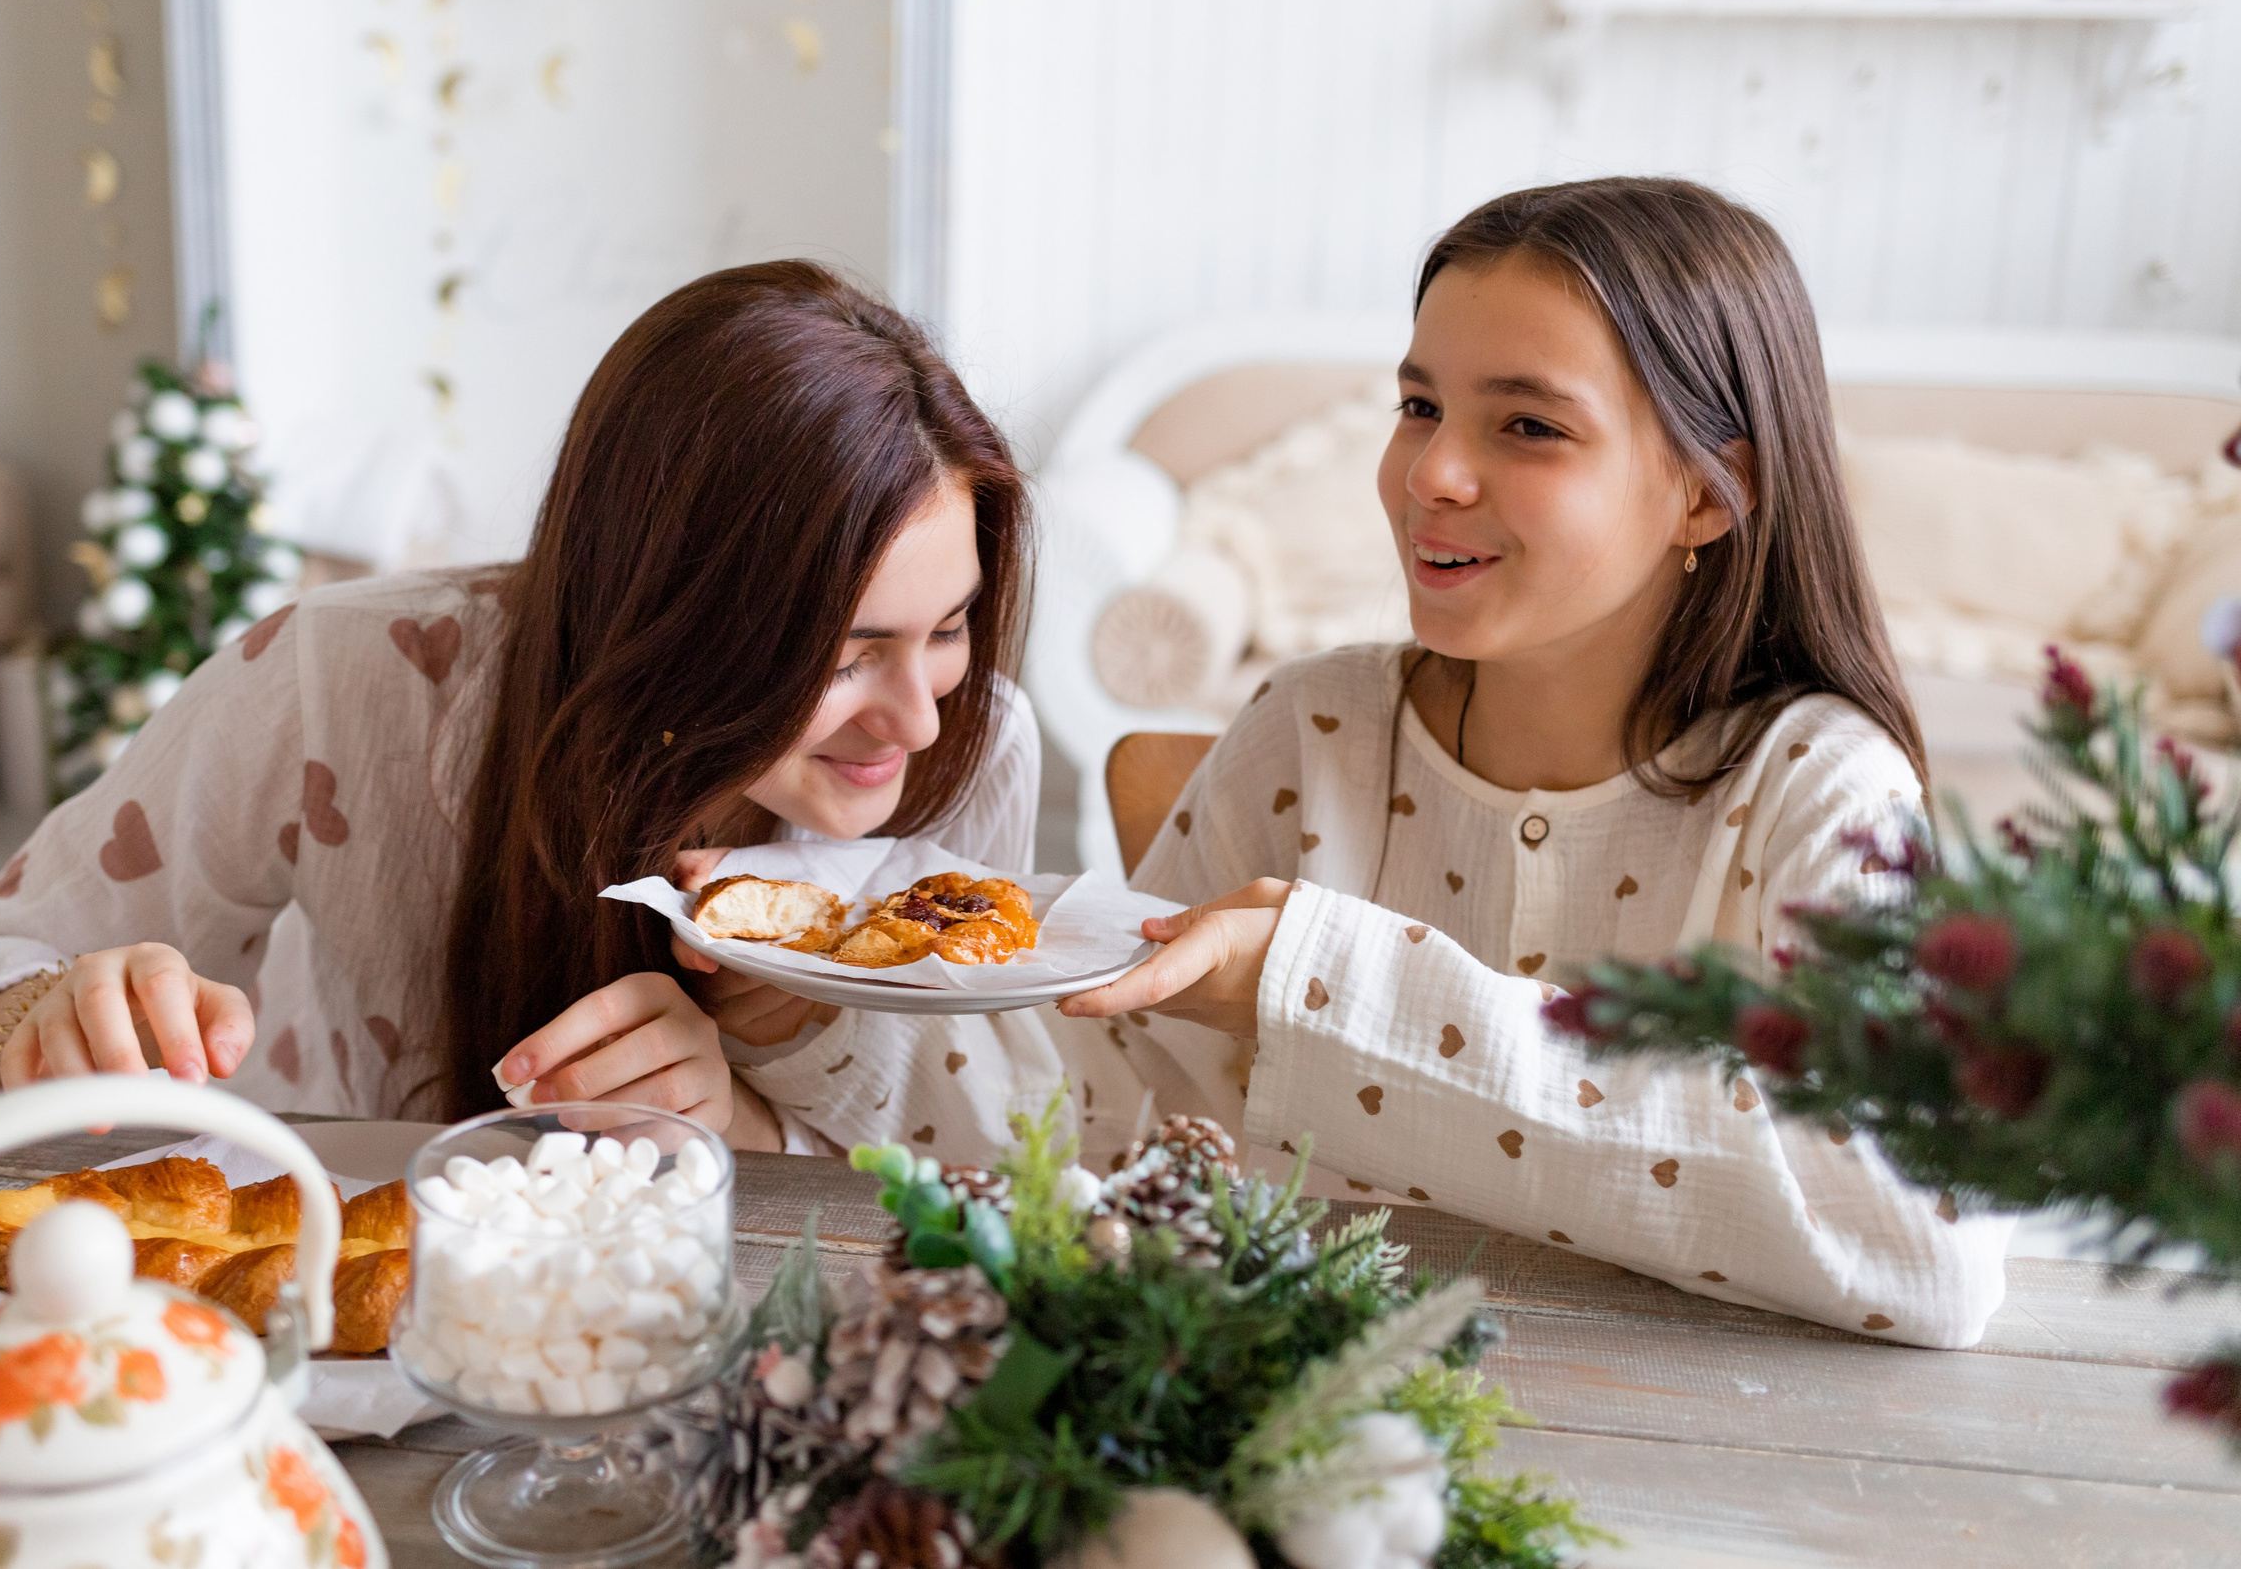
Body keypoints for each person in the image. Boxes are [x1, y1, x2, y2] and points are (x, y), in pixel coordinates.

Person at [842, 177, 2007, 1346]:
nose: (1431, 476)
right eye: (1417, 406)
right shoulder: (1312, 731)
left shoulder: (1821, 791)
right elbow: (1082, 1116)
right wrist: (795, 1034)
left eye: (1529, 426)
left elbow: (1925, 1232)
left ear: (1707, 493)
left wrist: (1322, 991)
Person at [0, 260, 1040, 1147]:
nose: (922, 718)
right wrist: (49, 1018)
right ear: (676, 616)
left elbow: (991, 1166)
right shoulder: (344, 677)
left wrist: (746, 1106)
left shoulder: (976, 756)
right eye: (846, 656)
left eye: (946, 630)